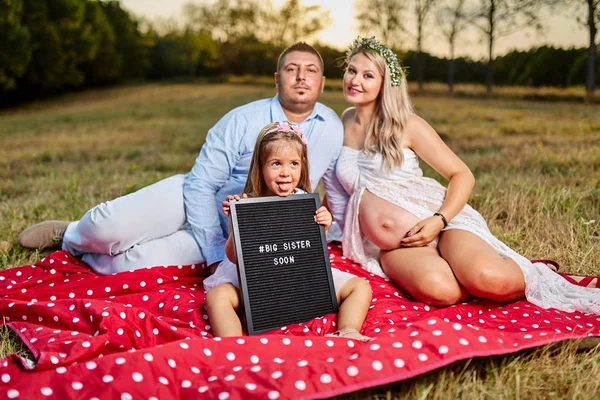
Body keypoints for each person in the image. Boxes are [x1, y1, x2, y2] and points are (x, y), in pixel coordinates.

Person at [17, 42, 348, 276]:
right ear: (277, 79)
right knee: (109, 227)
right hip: (190, 195)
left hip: (238, 231)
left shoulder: (332, 128)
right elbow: (202, 184)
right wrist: (215, 253)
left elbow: (332, 191)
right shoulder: (242, 119)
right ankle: (72, 234)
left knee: (133, 265)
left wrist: (338, 234)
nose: (301, 77)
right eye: (292, 69)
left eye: (311, 71)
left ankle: (90, 257)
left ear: (321, 82)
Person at [336, 36, 599, 314]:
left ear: (385, 83)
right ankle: (468, 271)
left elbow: (462, 174)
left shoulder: (406, 125)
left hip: (440, 220)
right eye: (351, 70)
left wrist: (439, 220)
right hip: (398, 244)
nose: (355, 80)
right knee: (441, 291)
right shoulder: (344, 120)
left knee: (490, 279)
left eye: (368, 75)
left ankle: (519, 272)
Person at [204, 122, 372, 340]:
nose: (285, 173)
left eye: (293, 164)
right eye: (276, 164)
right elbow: (234, 258)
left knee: (361, 286)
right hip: (257, 284)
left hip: (299, 278)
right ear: (260, 166)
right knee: (217, 296)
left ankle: (348, 331)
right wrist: (237, 226)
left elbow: (312, 253)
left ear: (302, 165)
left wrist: (325, 225)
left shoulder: (303, 201)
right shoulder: (246, 204)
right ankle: (235, 347)